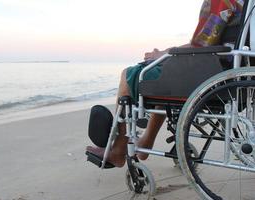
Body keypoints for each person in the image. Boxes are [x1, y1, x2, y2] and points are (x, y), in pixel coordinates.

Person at [86, 0, 244, 167]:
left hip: (212, 73)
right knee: (166, 80)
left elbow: (200, 44)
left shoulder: (222, 1)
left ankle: (118, 151)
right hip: (232, 73)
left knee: (129, 74)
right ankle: (146, 140)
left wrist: (163, 53)